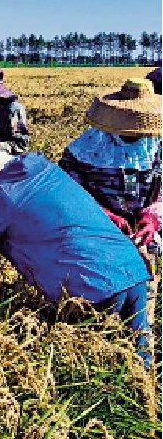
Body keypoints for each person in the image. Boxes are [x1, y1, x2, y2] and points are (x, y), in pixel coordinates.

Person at [0, 129, 151, 364]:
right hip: (132, 268)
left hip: (93, 286)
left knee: (94, 363)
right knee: (141, 358)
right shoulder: (43, 169)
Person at [58, 77, 162, 325]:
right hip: (96, 230)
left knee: (144, 287)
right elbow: (67, 192)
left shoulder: (157, 146)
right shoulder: (84, 148)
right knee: (105, 294)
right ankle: (101, 332)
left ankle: (138, 339)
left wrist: (152, 218)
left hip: (141, 233)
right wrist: (104, 215)